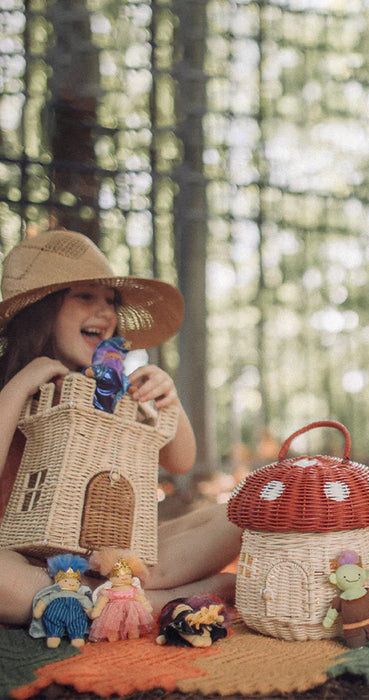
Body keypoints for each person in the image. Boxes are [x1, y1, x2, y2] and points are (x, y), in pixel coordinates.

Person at [0, 229, 241, 626]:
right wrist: (27, 379)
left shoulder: (105, 386)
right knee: (3, 581)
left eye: (110, 300)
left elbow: (181, 461)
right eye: (84, 296)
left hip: (112, 554)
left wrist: (170, 400)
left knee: (239, 514)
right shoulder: (11, 384)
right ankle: (163, 597)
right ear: (41, 310)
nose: (105, 311)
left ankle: (134, 587)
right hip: (29, 562)